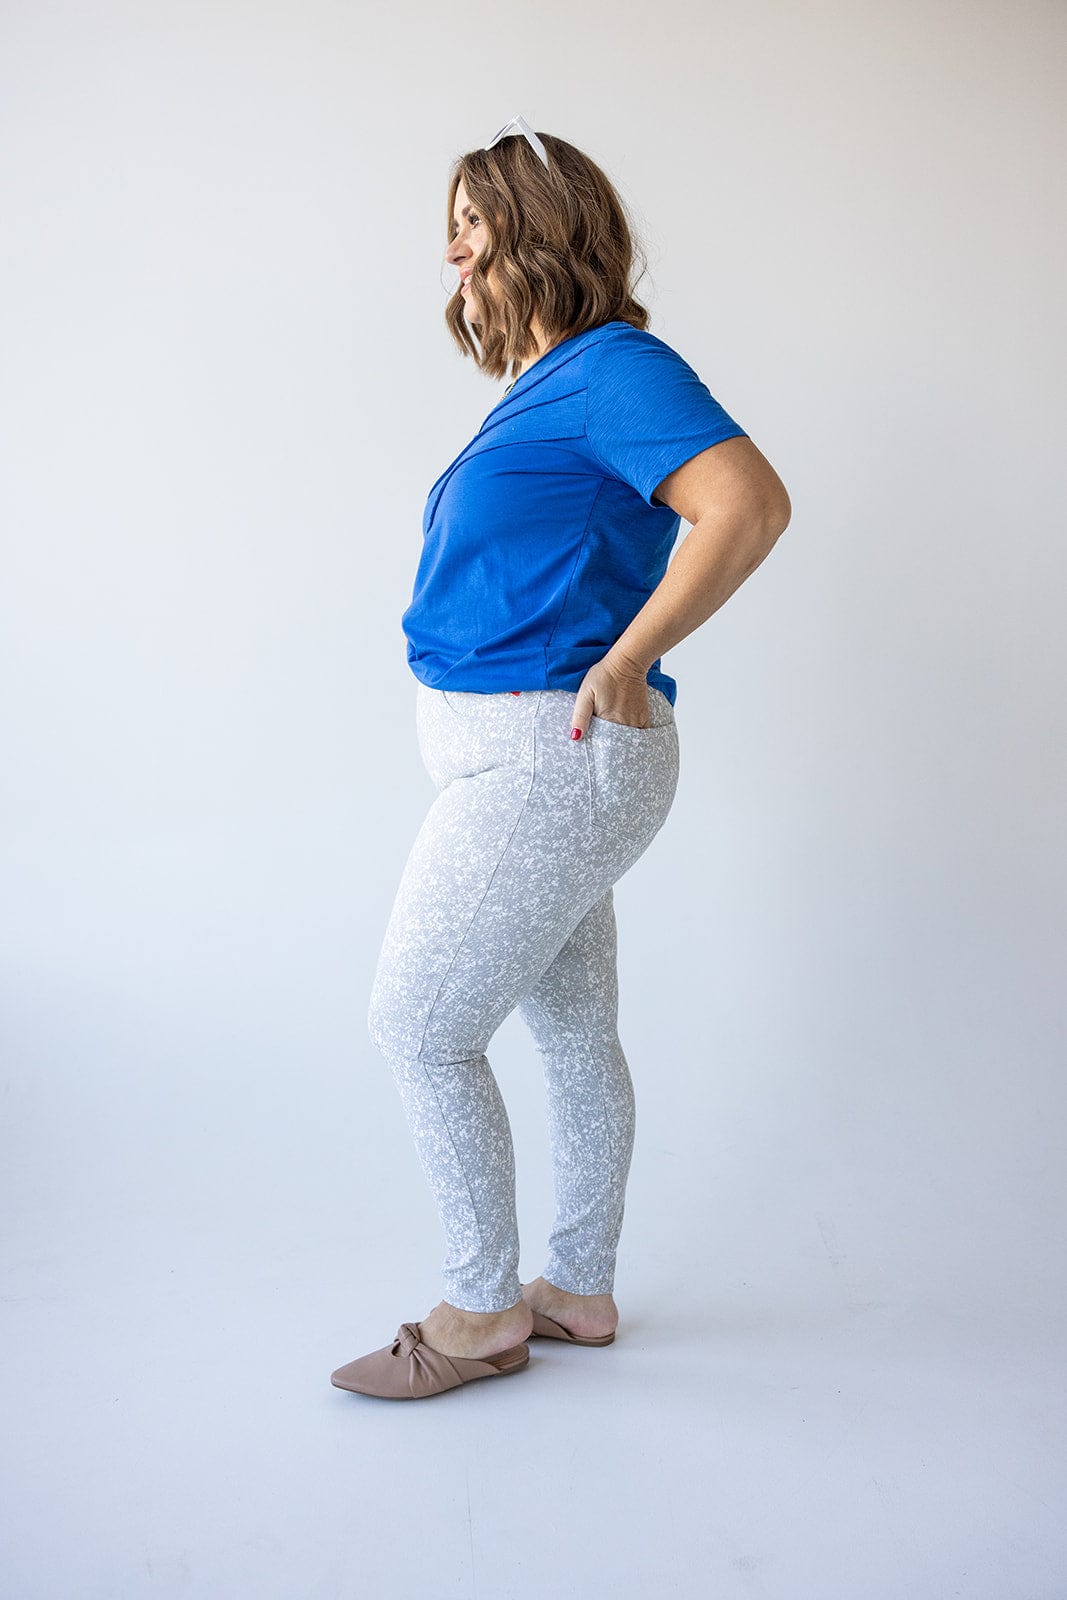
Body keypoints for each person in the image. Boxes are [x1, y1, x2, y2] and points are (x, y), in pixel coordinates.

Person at [331, 117, 791, 1401]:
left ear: (535, 231)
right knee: (574, 1032)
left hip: (552, 754)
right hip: (531, 761)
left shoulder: (611, 370)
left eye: (472, 229)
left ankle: (480, 1311)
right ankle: (575, 1287)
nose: (451, 254)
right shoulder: (548, 388)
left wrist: (629, 654)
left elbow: (744, 503)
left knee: (418, 1027)